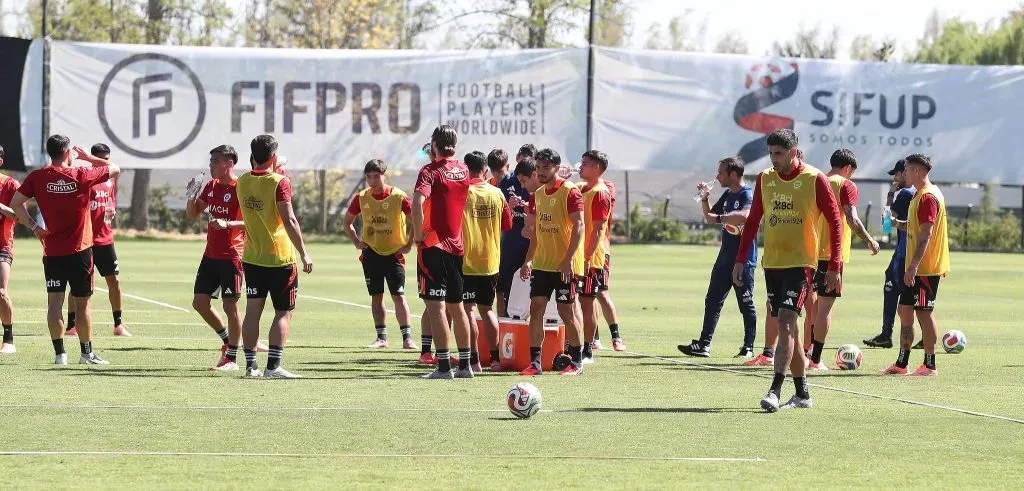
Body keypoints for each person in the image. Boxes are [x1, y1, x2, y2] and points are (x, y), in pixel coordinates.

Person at [732, 129, 842, 412]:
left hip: (802, 264)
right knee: (789, 326)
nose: (773, 159)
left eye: (778, 153)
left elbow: (835, 221)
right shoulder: (765, 179)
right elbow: (754, 219)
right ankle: (803, 394)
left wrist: (835, 264)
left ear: (793, 152)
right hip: (773, 264)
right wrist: (740, 260)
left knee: (784, 321)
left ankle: (774, 390)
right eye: (770, 153)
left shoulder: (814, 178)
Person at [12, 135, 120, 365]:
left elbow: (15, 203)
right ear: (68, 153)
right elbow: (114, 168)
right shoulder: (80, 174)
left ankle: (60, 355)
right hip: (80, 251)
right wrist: (89, 157)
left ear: (49, 152)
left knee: (54, 303)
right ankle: (86, 353)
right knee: (83, 304)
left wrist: (34, 227)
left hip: (52, 252)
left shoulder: (38, 177)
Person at [236, 135, 314, 379]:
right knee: (283, 312)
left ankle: (251, 366)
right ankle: (273, 366)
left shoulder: (242, 181)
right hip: (279, 258)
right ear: (272, 157)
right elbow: (289, 219)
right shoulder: (280, 182)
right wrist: (304, 252)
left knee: (252, 311)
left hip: (252, 257)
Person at [803, 149, 880, 370]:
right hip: (830, 255)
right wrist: (869, 240)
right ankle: (815, 359)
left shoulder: (815, 181)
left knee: (813, 307)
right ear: (848, 168)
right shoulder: (845, 185)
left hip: (808, 253)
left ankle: (806, 352)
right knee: (825, 309)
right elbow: (852, 218)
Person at [186, 145, 258, 371]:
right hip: (210, 255)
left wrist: (228, 224)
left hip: (233, 256)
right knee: (199, 303)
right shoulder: (212, 186)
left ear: (229, 163)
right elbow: (192, 213)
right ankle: (227, 341)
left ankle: (232, 359)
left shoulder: (242, 188)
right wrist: (191, 196)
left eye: (215, 161)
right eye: (211, 162)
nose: (211, 166)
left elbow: (254, 221)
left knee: (230, 306)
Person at [679, 156, 758, 358]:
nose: (717, 176)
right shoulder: (727, 195)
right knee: (712, 300)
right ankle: (704, 344)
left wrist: (722, 218)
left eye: (721, 172)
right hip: (724, 258)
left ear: (733, 174)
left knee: (745, 303)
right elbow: (709, 218)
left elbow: (746, 215)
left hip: (744, 259)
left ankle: (748, 347)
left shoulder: (747, 193)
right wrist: (705, 198)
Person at [413, 125, 473, 379]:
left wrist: (417, 235)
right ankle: (466, 366)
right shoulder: (463, 169)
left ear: (434, 145)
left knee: (436, 308)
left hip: (433, 246)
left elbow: (417, 202)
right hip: (457, 247)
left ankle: (444, 367)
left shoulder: (429, 171)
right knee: (457, 308)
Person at [519, 148, 586, 376]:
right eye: (538, 167)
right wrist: (528, 260)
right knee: (536, 308)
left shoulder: (570, 191)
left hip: (564, 266)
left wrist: (568, 260)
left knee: (566, 312)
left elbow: (579, 226)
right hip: (542, 264)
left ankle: (577, 362)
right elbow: (537, 232)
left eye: (546, 168)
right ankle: (535, 363)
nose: (541, 172)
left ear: (557, 168)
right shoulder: (537, 195)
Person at [881, 154, 949, 376]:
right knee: (905, 310)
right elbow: (915, 226)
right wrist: (897, 223)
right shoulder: (918, 195)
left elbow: (926, 235)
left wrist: (912, 267)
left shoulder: (928, 196)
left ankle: (930, 365)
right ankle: (902, 363)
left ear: (918, 171)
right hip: (916, 267)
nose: (905, 173)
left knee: (924, 313)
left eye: (908, 169)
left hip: (925, 268)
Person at [344, 159, 416, 350]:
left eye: (376, 176)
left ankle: (407, 338)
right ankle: (381, 338)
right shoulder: (361, 197)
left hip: (394, 255)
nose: (372, 181)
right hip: (371, 254)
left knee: (398, 296)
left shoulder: (399, 197)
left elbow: (416, 220)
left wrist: (409, 244)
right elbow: (347, 222)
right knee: (376, 297)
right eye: (369, 177)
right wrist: (357, 242)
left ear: (384, 175)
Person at [64, 144, 129, 338]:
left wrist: (112, 208)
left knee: (114, 281)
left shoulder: (110, 181)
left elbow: (110, 200)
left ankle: (118, 325)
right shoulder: (86, 178)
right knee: (79, 285)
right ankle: (71, 325)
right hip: (86, 240)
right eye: (101, 158)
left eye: (107, 158)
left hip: (105, 239)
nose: (105, 162)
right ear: (93, 158)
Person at [461, 151, 513, 372]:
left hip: (466, 261)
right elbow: (508, 225)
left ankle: (473, 360)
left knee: (468, 310)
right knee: (488, 309)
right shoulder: (497, 193)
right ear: (485, 170)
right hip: (491, 260)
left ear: (465, 169)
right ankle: (495, 359)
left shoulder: (462, 192)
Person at [864, 159, 917, 348]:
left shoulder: (904, 194)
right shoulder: (920, 192)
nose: (894, 178)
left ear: (905, 172)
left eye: (896, 173)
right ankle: (923, 336)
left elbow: (886, 224)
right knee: (913, 296)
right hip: (913, 251)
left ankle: (887, 334)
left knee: (897, 290)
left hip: (904, 253)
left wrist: (890, 194)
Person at [575, 150, 615, 364]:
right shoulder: (581, 188)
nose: (580, 167)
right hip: (577, 256)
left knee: (587, 302)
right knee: (575, 302)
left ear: (597, 168)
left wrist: (588, 255)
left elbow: (599, 229)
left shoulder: (600, 193)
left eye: (585, 164)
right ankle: (576, 345)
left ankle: (588, 349)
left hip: (591, 258)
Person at [0, 144, 33, 355]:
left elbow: (22, 216)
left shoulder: (10, 185)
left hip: (2, 245)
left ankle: (9, 338)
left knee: (1, 292)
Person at [495, 150, 533, 316]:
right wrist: (510, 207)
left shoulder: (541, 185)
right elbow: (500, 215)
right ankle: (504, 323)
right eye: (520, 161)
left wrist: (528, 209)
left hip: (533, 242)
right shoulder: (507, 182)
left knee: (534, 288)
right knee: (504, 285)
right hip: (510, 242)